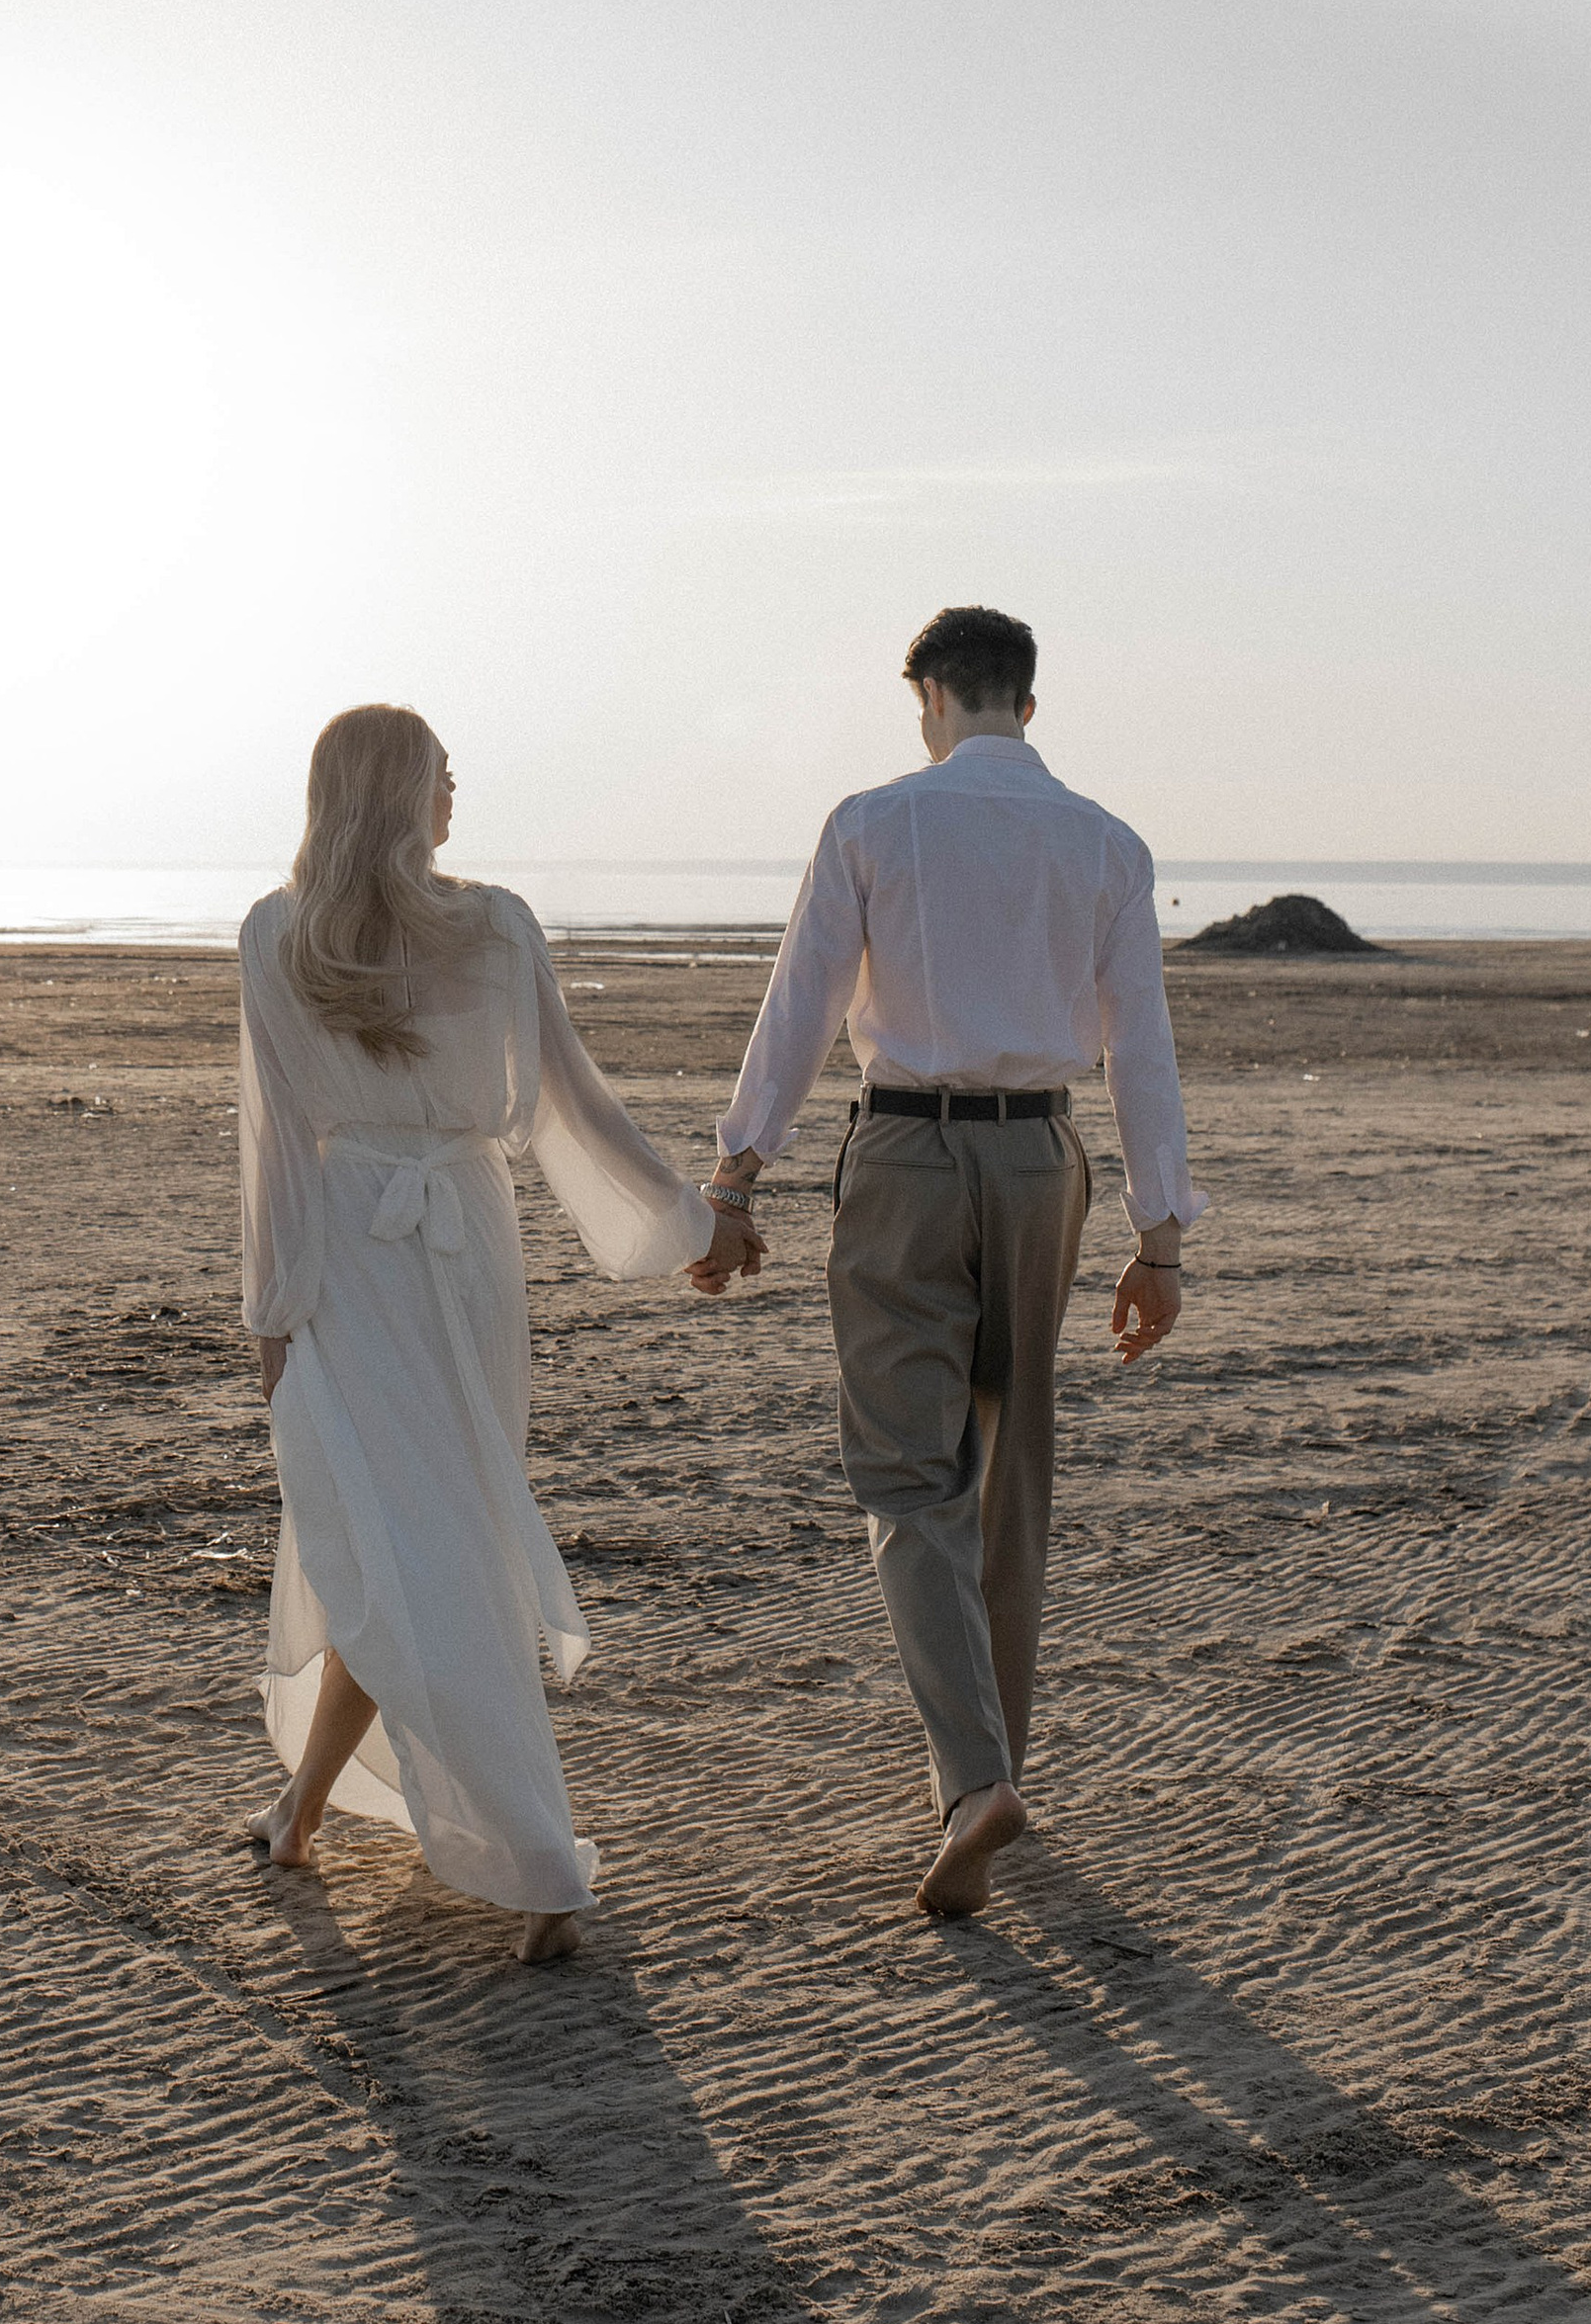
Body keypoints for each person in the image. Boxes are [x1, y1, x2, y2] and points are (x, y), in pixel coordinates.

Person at [693, 607, 1200, 1919]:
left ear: (929, 696)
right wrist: (1161, 1237)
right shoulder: (1107, 843)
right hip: (1042, 1158)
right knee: (1012, 1470)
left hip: (911, 1154)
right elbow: (1137, 1045)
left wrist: (737, 1170)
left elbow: (800, 1003)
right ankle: (996, 1776)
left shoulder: (873, 821)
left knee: (909, 1475)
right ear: (1026, 703)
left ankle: (974, 1782)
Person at [239, 703, 714, 1964]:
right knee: (400, 1536)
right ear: (395, 793)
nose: (458, 789)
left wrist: (274, 1311)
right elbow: (572, 1107)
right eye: (441, 774)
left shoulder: (279, 935)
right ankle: (299, 1811)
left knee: (407, 1535)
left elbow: (281, 1151)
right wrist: (689, 1217)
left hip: (360, 1242)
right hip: (445, 1231)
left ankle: (537, 1857)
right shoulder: (486, 924)